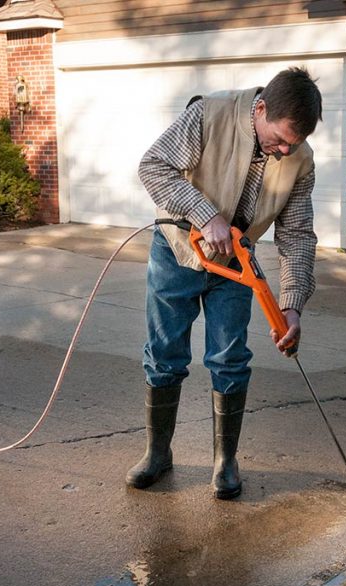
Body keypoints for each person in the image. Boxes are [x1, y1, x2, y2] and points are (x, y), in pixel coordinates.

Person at [128, 67, 323, 500]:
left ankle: (225, 462)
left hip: (237, 263)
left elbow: (296, 234)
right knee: (164, 354)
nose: (285, 150)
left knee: (230, 358)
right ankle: (157, 455)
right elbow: (153, 166)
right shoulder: (209, 114)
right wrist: (206, 214)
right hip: (178, 251)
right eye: (280, 139)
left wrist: (291, 305)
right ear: (260, 109)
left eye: (295, 143)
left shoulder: (300, 160)